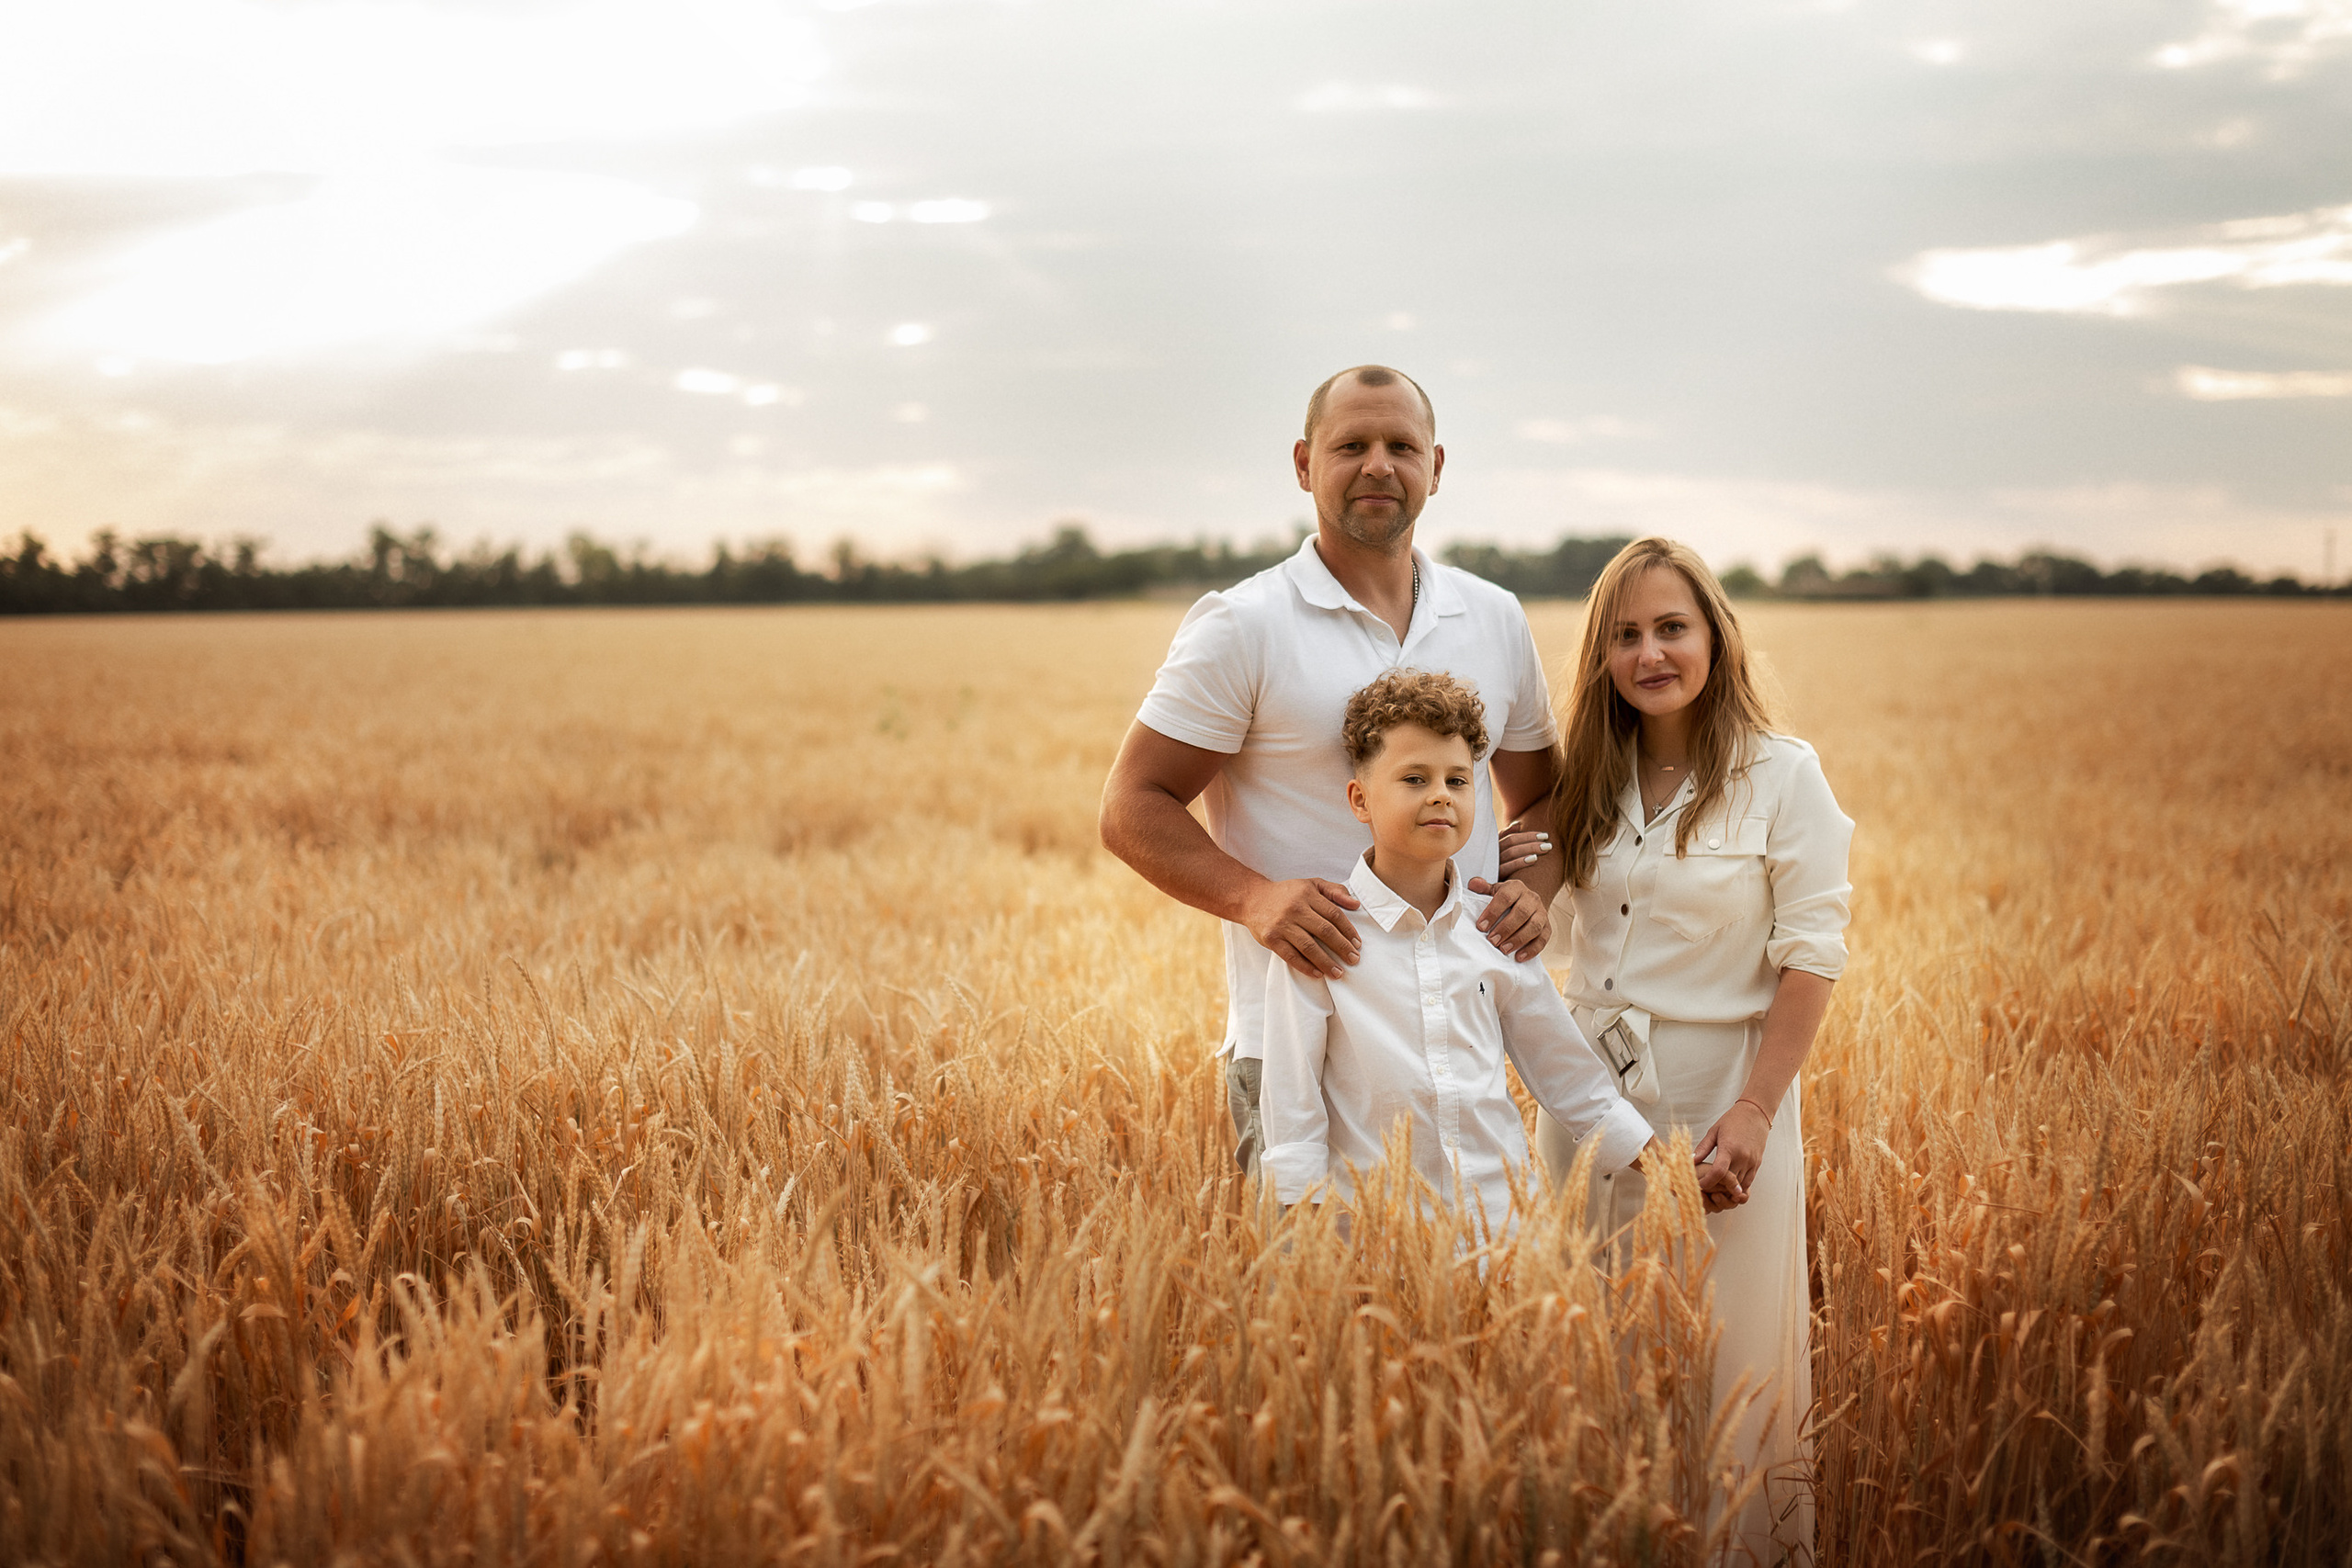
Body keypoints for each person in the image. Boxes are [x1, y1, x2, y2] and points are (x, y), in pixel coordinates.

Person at [1099, 365, 1567, 1174]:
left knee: (1479, 1257)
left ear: (1436, 467)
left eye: (1401, 446)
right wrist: (1255, 898)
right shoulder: (1244, 624)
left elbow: (1547, 795)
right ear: (1303, 463)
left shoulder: (1494, 616)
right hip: (1299, 1046)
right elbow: (1130, 804)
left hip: (1460, 1035)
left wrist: (1536, 886)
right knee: (1306, 1260)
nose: (1379, 465)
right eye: (1351, 445)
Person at [1503, 536, 1852, 1562]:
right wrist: (1510, 884)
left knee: (1730, 1366)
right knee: (1595, 1355)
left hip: (1723, 1104)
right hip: (1585, 1104)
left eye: (1671, 628)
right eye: (1625, 635)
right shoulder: (1583, 781)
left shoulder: (1783, 775)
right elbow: (1525, 915)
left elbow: (1811, 955)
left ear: (1715, 637)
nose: (1649, 653)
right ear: (1602, 658)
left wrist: (1755, 1111)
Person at [1258, 669, 1712, 1230]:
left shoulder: (1496, 930)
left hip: (1500, 1230)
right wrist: (1307, 1242)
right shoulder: (1322, 937)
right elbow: (1293, 1108)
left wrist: (1669, 1169)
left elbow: (1570, 1077)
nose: (1440, 796)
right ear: (1360, 799)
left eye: (1457, 780)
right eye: (1415, 779)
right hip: (1378, 1238)